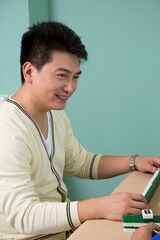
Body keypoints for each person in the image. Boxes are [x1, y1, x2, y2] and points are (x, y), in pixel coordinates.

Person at [0, 21, 160, 240]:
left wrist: (134, 162)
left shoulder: (54, 112)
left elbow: (80, 162)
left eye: (75, 77)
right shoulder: (7, 127)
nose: (71, 87)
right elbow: (24, 215)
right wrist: (99, 206)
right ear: (29, 71)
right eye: (62, 75)